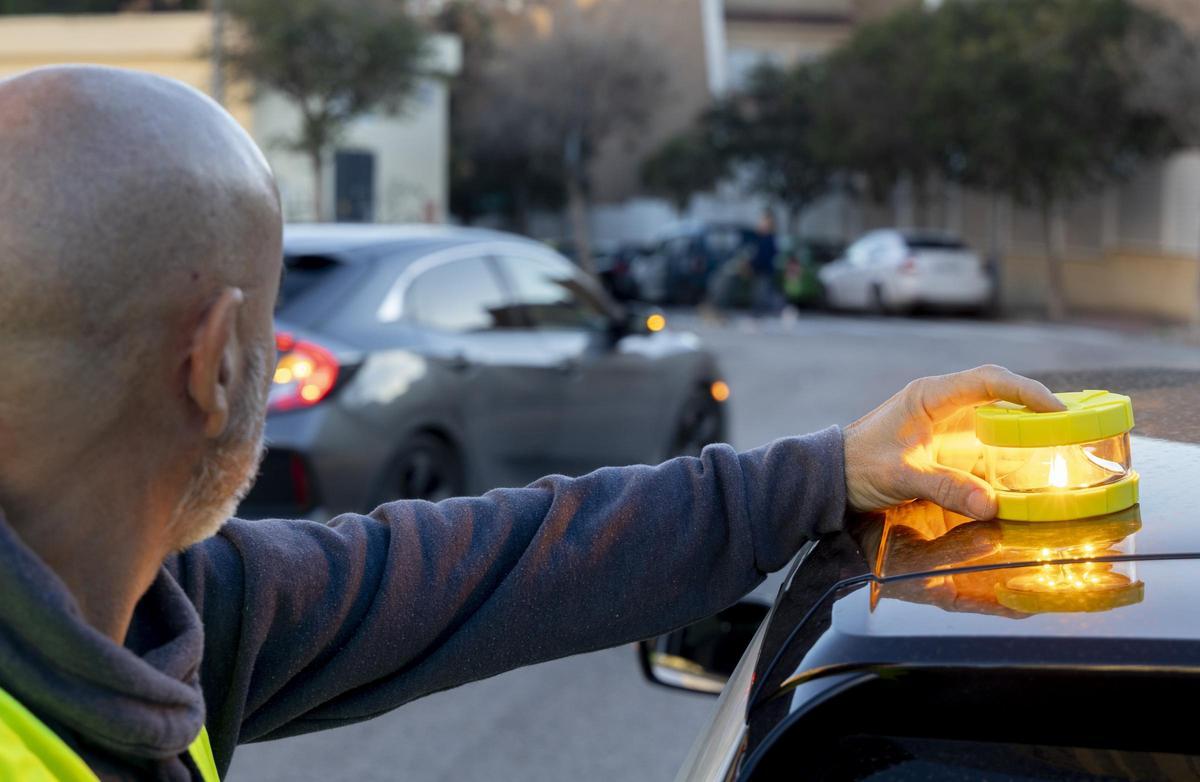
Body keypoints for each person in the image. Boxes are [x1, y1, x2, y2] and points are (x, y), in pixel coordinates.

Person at [0, 65, 1066, 781]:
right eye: (275, 318)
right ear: (217, 357)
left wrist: (828, 469)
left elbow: (488, 566)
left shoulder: (163, 607)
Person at [750, 211, 779, 316]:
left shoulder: (769, 239)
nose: (761, 224)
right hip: (759, 270)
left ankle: (783, 308)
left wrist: (754, 264)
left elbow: (765, 256)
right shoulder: (759, 238)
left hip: (764, 270)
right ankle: (757, 312)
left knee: (762, 293)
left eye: (764, 222)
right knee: (762, 292)